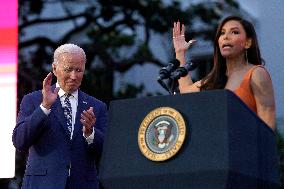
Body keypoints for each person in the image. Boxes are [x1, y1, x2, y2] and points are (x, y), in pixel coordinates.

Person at [12, 43, 108, 189]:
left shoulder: (96, 106)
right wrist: (44, 108)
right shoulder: (33, 100)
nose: (74, 76)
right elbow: (19, 141)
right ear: (55, 69)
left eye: (79, 70)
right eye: (68, 69)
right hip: (42, 185)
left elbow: (107, 152)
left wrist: (90, 133)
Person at [172, 15, 275, 130]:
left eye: (234, 32)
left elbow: (267, 122)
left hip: (245, 145)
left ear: (248, 43)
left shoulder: (256, 73)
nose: (226, 37)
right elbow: (186, 92)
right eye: (222, 33)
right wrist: (180, 52)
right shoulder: (213, 79)